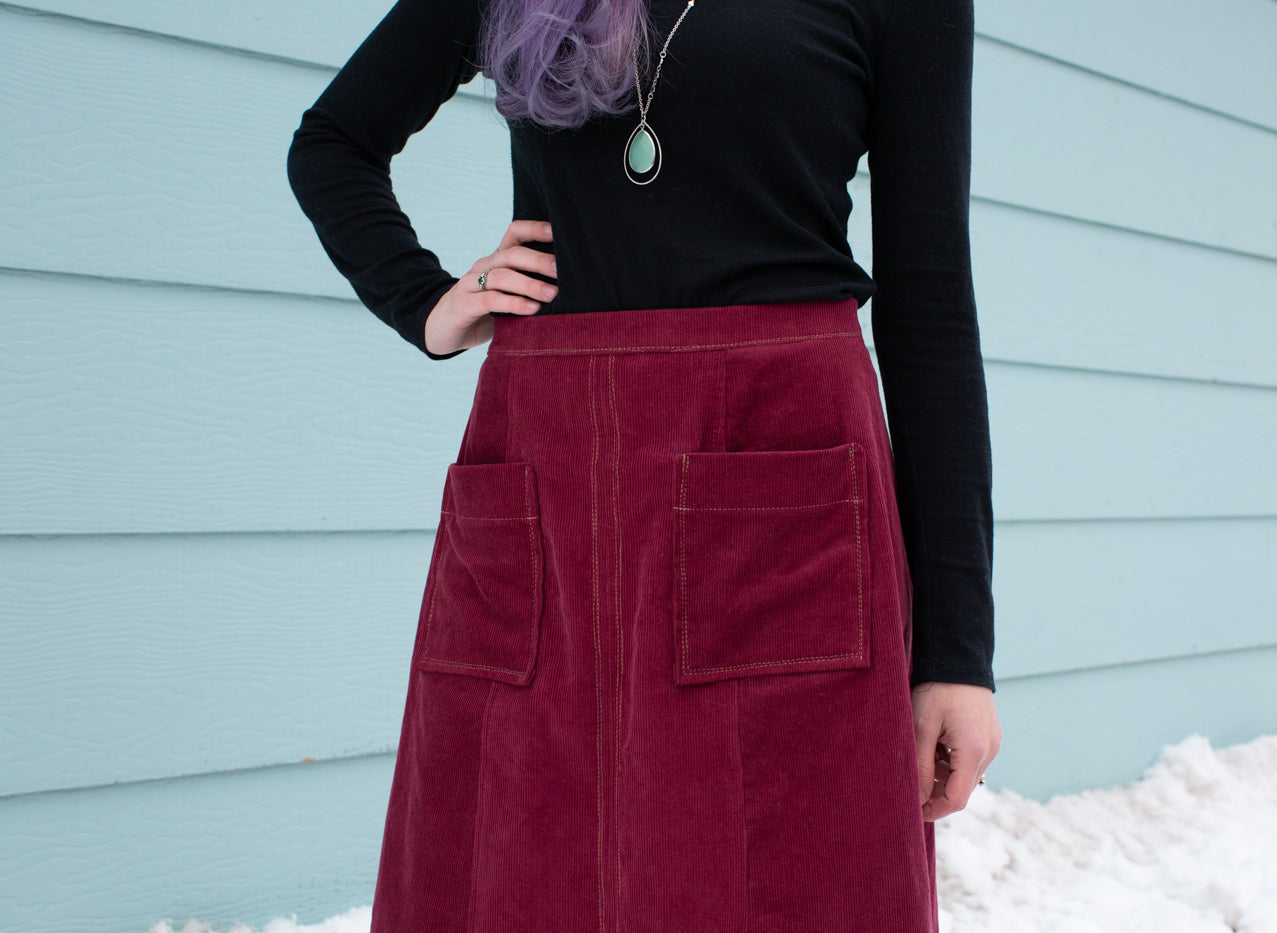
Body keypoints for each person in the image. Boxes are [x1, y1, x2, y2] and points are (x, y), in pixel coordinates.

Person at [286, 0, 1000, 928]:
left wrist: (957, 653)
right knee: (520, 865)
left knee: (790, 873)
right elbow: (334, 142)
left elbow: (930, 304)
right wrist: (425, 303)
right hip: (548, 471)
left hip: (785, 466)